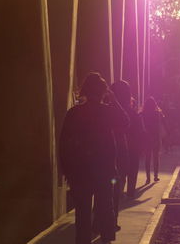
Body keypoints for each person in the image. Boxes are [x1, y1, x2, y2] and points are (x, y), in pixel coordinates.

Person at [59, 72, 129, 244]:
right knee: (105, 209)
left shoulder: (73, 113)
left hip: (79, 171)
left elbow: (64, 143)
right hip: (104, 170)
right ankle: (106, 239)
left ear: (84, 91)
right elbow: (125, 121)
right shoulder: (108, 112)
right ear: (103, 92)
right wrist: (113, 99)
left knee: (82, 215)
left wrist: (66, 170)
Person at [110, 80, 144, 230]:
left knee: (104, 190)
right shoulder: (131, 114)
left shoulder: (106, 110)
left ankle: (99, 218)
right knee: (116, 189)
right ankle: (111, 220)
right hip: (124, 155)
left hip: (105, 156)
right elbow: (140, 133)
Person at [142, 96, 166, 184]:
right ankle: (155, 176)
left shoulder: (143, 113)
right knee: (156, 157)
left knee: (147, 158)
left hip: (146, 137)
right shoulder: (157, 114)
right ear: (154, 104)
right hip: (156, 137)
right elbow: (163, 122)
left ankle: (148, 178)